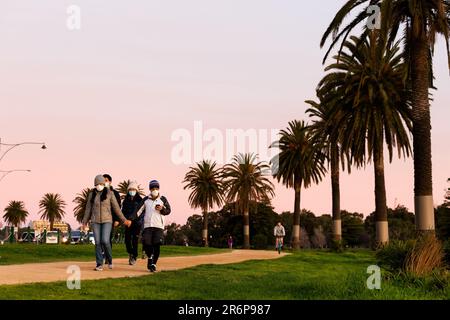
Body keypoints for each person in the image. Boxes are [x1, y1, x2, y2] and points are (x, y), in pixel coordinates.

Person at [82, 175, 132, 271]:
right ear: (95, 184)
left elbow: (116, 208)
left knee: (105, 240)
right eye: (97, 184)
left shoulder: (109, 193)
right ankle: (99, 264)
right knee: (97, 242)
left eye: (101, 184)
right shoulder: (91, 194)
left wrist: (124, 220)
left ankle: (109, 259)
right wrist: (84, 222)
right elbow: (88, 209)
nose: (99, 185)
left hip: (107, 221)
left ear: (104, 184)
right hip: (95, 221)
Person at [135, 180, 171, 272]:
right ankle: (150, 257)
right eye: (153, 188)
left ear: (158, 189)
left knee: (156, 244)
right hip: (148, 226)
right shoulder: (146, 200)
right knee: (147, 243)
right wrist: (130, 219)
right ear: (150, 189)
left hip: (159, 226)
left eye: (156, 188)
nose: (155, 190)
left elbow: (168, 211)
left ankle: (153, 264)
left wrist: (162, 209)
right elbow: (138, 211)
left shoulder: (163, 199)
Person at [121, 181, 143, 265]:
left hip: (136, 223)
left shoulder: (140, 200)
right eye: (130, 189)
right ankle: (130, 252)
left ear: (136, 190)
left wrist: (135, 221)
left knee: (134, 240)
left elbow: (141, 212)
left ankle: (134, 256)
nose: (132, 191)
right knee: (127, 240)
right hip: (127, 223)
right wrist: (124, 220)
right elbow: (123, 212)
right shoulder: (125, 201)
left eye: (134, 189)